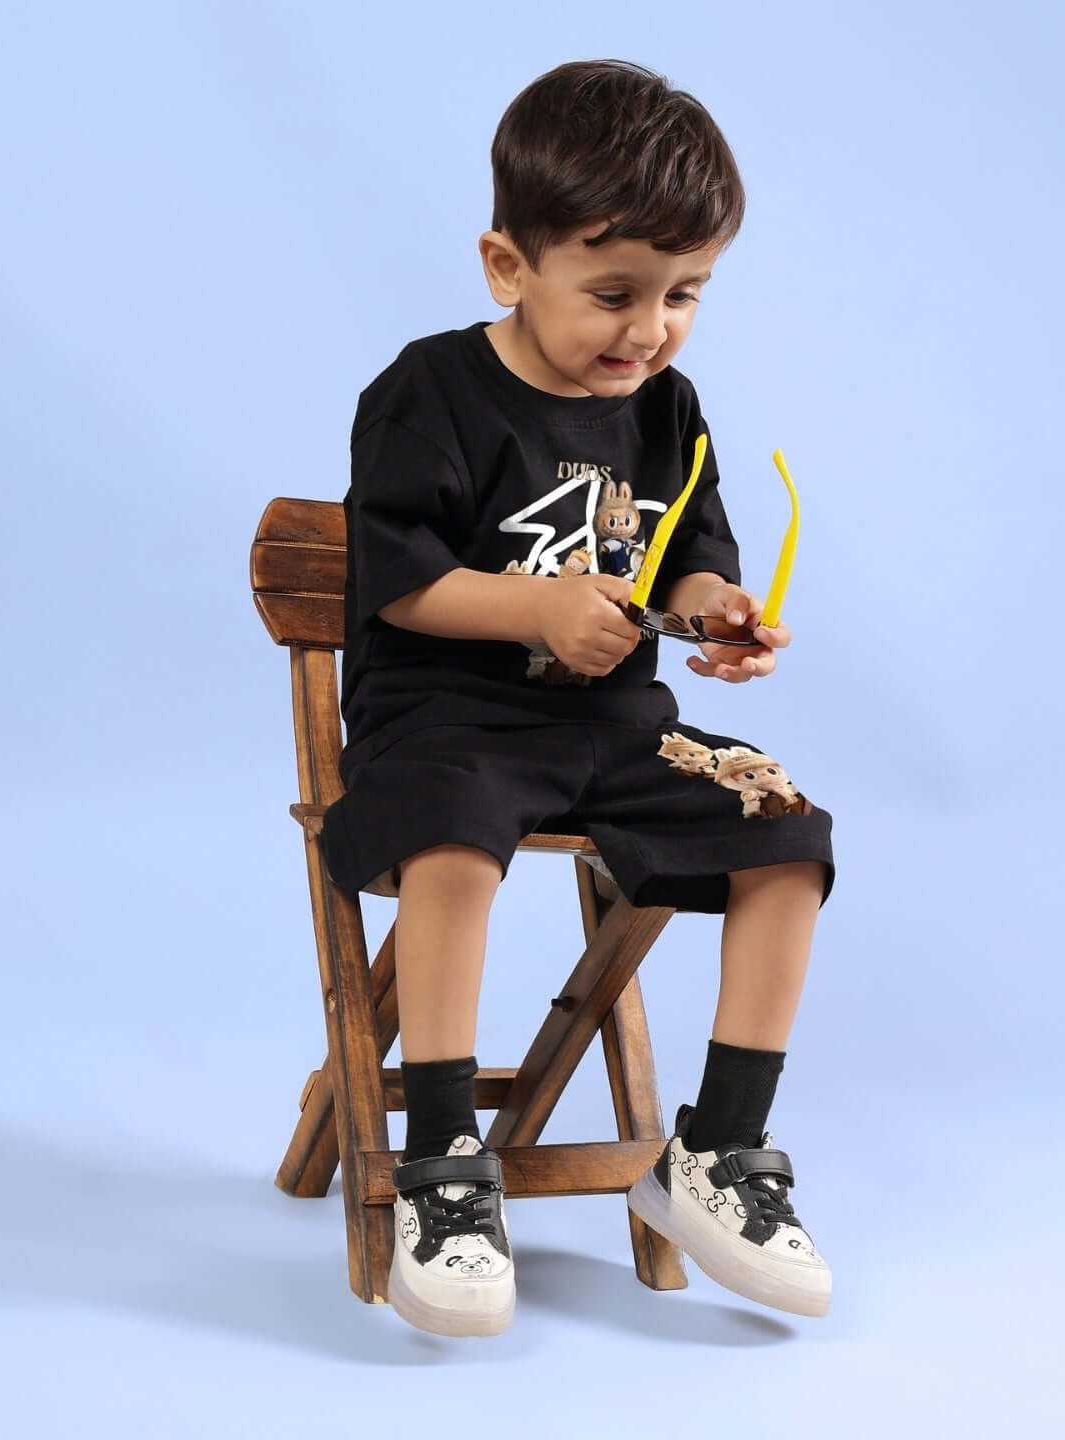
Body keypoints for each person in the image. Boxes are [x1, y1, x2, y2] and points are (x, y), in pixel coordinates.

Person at [319, 58, 836, 1339]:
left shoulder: (667, 408)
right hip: (443, 725)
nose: (647, 329)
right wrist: (534, 605)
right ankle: (443, 1157)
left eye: (684, 295)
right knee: (455, 832)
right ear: (510, 265)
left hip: (614, 731)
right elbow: (396, 585)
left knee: (786, 828)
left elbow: (690, 555)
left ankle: (715, 1152)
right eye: (613, 294)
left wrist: (716, 612)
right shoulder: (428, 392)